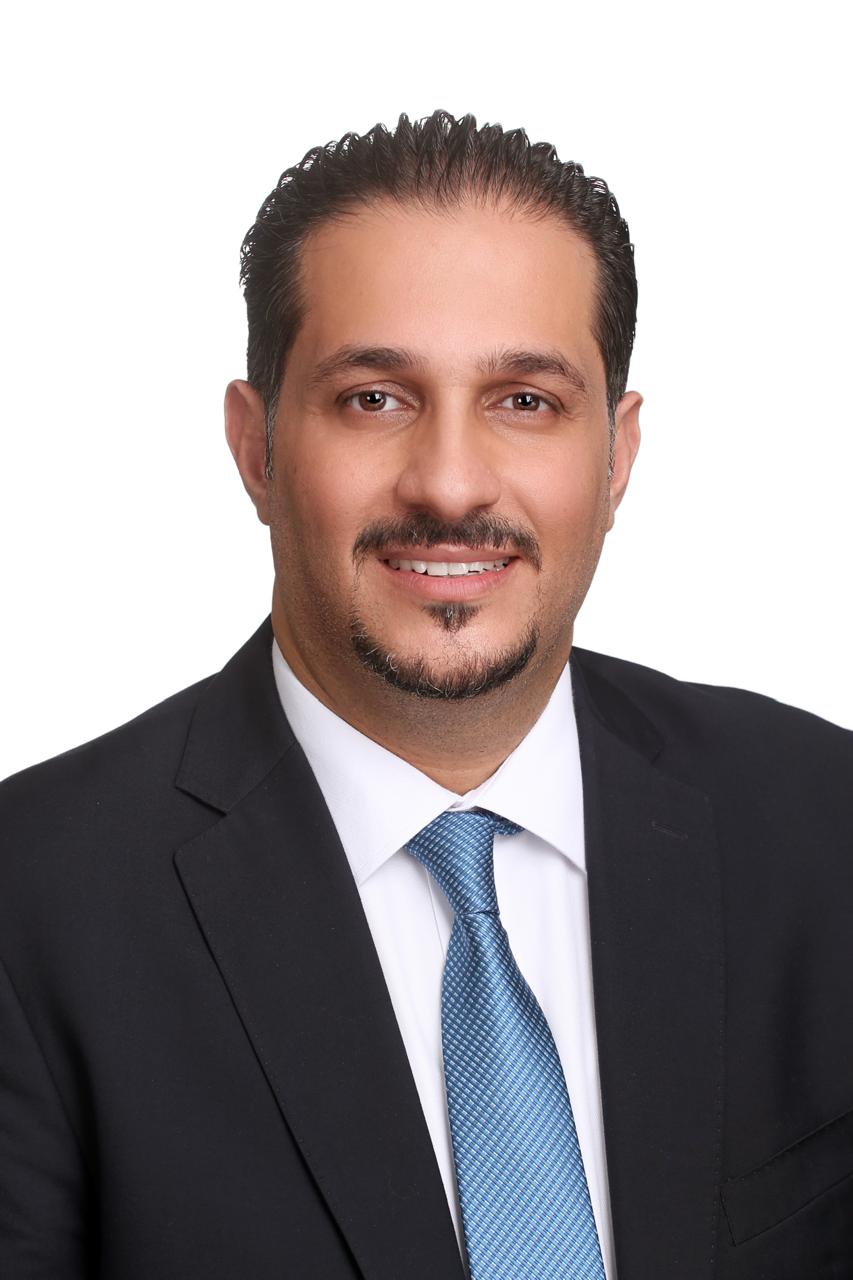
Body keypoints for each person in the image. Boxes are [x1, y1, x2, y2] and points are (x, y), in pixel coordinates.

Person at [1, 110, 851, 1280]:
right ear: (255, 448)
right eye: (374, 398)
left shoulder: (823, 823)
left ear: (616, 455)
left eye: (524, 400)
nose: (449, 485)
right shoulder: (33, 904)